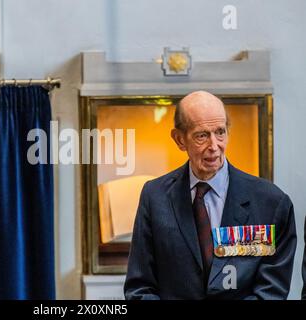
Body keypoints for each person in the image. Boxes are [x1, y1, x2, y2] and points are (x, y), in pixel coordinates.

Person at [124, 91, 297, 300]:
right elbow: (140, 288)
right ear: (179, 139)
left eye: (220, 132)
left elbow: (271, 292)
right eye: (202, 135)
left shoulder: (272, 203)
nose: (214, 147)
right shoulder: (154, 197)